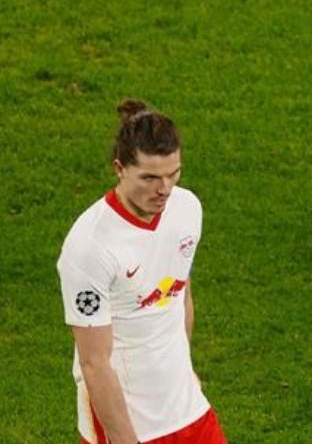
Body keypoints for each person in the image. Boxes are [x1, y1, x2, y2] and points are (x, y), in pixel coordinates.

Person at [57, 100, 225, 444]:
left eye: (172, 174)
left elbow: (179, 292)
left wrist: (184, 370)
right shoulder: (89, 248)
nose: (164, 189)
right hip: (129, 417)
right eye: (149, 177)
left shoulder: (187, 208)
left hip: (186, 405)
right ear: (120, 168)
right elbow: (94, 362)